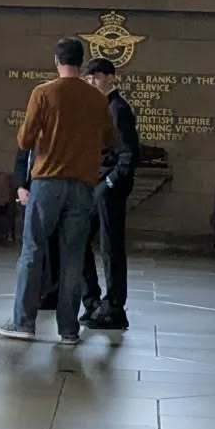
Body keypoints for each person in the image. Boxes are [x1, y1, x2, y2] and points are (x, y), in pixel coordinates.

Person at [0, 37, 115, 346]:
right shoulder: (97, 99)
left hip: (48, 182)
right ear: (81, 62)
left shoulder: (44, 92)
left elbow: (25, 140)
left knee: (33, 251)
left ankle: (23, 322)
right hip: (83, 185)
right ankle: (68, 329)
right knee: (73, 257)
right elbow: (108, 139)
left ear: (56, 61)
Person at [80, 57, 139, 330]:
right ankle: (92, 302)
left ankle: (114, 307)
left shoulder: (118, 108)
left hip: (108, 189)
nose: (92, 81)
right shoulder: (96, 107)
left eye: (97, 76)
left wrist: (110, 184)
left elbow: (128, 155)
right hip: (94, 185)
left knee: (110, 248)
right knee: (79, 240)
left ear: (111, 78)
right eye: (89, 77)